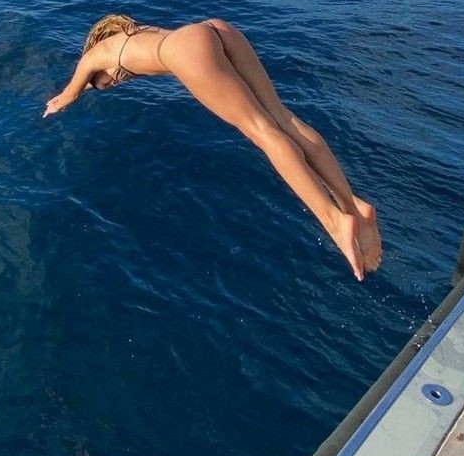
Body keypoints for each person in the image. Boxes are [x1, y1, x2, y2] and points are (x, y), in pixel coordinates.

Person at [44, 15, 381, 281]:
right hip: (216, 29)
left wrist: (57, 104)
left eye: (106, 83)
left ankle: (334, 222)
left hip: (187, 49)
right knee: (283, 118)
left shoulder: (95, 56)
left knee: (262, 131)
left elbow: (70, 92)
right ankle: (351, 203)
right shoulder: (134, 34)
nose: (114, 82)